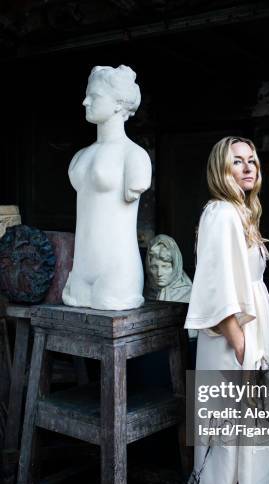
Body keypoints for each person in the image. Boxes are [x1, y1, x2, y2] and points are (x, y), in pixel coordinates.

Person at [183, 136, 269, 484]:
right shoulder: (221, 214)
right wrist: (244, 351)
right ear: (219, 169)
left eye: (252, 160)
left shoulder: (243, 215)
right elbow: (217, 291)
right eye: (236, 161)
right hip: (233, 348)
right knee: (222, 445)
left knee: (251, 437)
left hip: (254, 344)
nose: (247, 167)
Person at [62, 65, 151, 310]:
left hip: (117, 271)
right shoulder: (80, 157)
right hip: (80, 270)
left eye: (95, 96)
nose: (85, 101)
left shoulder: (134, 156)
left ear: (117, 103)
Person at [145, 234, 192, 302]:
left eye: (165, 267)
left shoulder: (187, 293)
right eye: (154, 267)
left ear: (176, 267)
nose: (159, 273)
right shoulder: (147, 290)